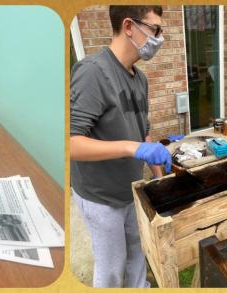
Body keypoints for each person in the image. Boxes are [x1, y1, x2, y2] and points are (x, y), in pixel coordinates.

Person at [69, 5, 170, 288]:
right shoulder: (92, 72)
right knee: (111, 270)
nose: (159, 38)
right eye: (155, 30)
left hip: (133, 190)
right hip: (101, 197)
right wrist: (132, 148)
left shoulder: (140, 79)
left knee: (138, 255)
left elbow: (143, 132)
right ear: (129, 27)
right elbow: (72, 143)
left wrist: (160, 180)